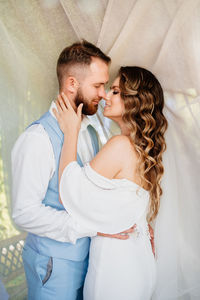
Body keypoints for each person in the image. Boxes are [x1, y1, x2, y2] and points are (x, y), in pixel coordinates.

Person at [12, 40, 131, 300]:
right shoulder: (37, 138)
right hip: (54, 266)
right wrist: (89, 226)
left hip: (88, 261)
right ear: (72, 84)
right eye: (98, 85)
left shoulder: (90, 130)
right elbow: (23, 212)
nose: (102, 94)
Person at [53, 66, 168, 300]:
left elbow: (70, 193)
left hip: (116, 267)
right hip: (139, 260)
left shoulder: (120, 145)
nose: (105, 95)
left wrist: (71, 132)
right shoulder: (143, 151)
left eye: (115, 91)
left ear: (134, 101)